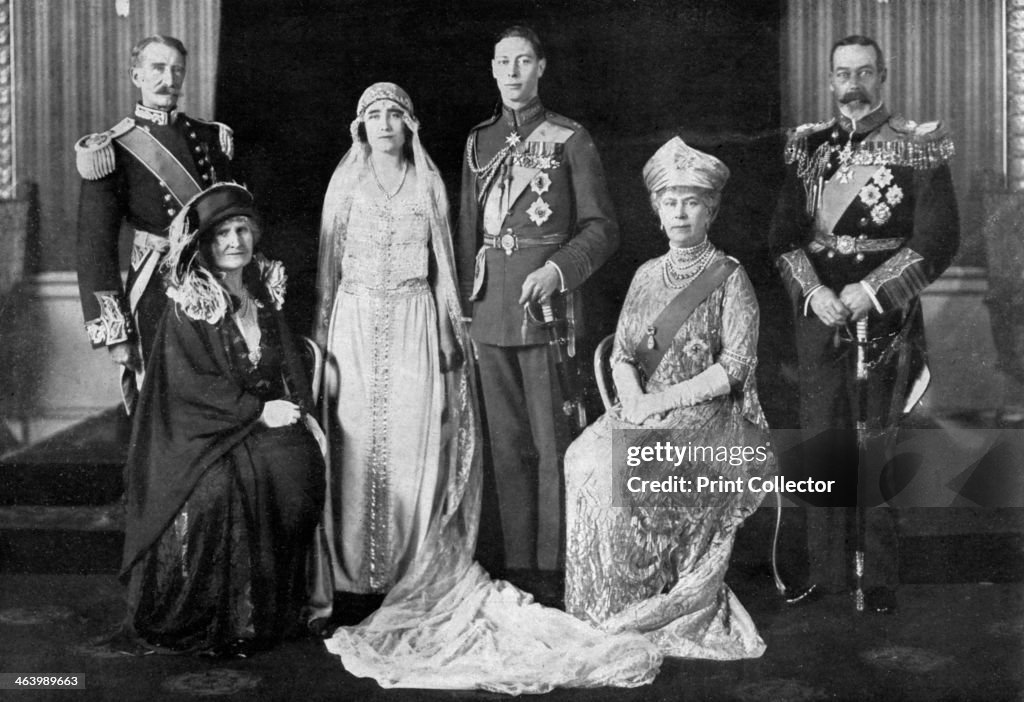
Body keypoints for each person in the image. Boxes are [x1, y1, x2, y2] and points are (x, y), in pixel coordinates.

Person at [315, 83, 661, 693]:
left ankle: (531, 572)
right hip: (361, 328)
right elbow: (331, 271)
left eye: (397, 112)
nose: (386, 123)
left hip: (452, 322)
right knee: (361, 450)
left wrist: (460, 328)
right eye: (374, 114)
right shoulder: (450, 153)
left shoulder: (452, 176)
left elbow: (455, 259)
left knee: (471, 449)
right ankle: (352, 581)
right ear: (358, 125)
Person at [768, 35, 959, 613]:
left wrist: (870, 290)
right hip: (820, 315)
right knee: (821, 440)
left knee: (878, 442)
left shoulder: (917, 147)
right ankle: (826, 572)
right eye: (843, 74)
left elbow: (937, 239)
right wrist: (816, 293)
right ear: (830, 80)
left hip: (887, 317)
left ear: (883, 76)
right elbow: (781, 239)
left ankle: (877, 576)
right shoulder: (808, 148)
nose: (853, 84)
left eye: (865, 73)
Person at [563, 137, 771, 659]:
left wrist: (658, 405)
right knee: (581, 458)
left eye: (691, 201)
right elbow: (623, 355)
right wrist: (633, 397)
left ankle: (646, 605)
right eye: (670, 202)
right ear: (657, 210)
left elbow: (736, 368)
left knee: (621, 465)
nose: (680, 212)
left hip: (709, 416)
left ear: (711, 210)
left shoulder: (731, 278)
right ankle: (599, 606)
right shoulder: (645, 276)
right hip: (647, 407)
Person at [120, 183, 325, 655]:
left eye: (242, 230)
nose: (235, 241)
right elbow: (191, 388)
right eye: (222, 234)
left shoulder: (264, 295)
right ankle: (224, 620)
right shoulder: (191, 305)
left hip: (258, 423)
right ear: (205, 246)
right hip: (199, 434)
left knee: (297, 467)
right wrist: (257, 412)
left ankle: (277, 609)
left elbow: (288, 363)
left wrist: (301, 412)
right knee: (218, 490)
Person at [456, 25, 619, 574]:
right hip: (488, 311)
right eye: (504, 62)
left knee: (552, 445)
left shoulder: (571, 138)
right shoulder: (478, 141)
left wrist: (557, 270)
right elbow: (465, 234)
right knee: (505, 447)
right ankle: (518, 566)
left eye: (523, 61)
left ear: (541, 67)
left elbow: (601, 229)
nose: (513, 72)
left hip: (546, 311)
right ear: (492, 68)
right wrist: (464, 306)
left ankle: (552, 571)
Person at [75, 34, 235, 412]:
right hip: (154, 295)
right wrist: (116, 335)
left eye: (177, 69)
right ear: (137, 76)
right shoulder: (112, 148)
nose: (169, 78)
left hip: (215, 283)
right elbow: (94, 247)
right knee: (165, 409)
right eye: (158, 68)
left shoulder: (210, 138)